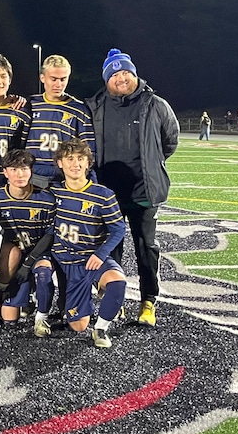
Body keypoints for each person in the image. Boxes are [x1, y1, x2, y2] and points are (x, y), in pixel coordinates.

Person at [85, 49, 180, 328]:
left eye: (125, 72)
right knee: (110, 250)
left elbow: (169, 142)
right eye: (114, 74)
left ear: (135, 74)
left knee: (146, 247)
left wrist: (150, 165)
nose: (121, 78)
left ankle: (148, 301)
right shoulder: (94, 106)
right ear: (106, 80)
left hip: (143, 192)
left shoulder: (156, 104)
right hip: (107, 192)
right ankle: (115, 301)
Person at [33, 139, 127, 348]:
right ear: (60, 163)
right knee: (77, 325)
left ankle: (101, 328)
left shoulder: (103, 195)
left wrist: (101, 254)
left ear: (87, 163)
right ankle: (41, 316)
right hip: (61, 257)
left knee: (117, 282)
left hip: (90, 258)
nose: (75, 164)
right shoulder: (53, 193)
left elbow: (119, 229)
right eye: (70, 159)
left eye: (81, 159)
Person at [0, 149, 56, 331]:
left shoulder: (46, 198)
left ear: (31, 171)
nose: (19, 174)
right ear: (5, 173)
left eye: (24, 169)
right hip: (11, 258)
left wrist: (28, 263)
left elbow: (50, 234)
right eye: (13, 169)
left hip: (37, 254)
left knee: (43, 274)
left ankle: (41, 319)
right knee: (9, 322)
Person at [27, 54, 95, 187]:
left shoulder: (79, 109)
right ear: (42, 78)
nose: (58, 84)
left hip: (64, 177)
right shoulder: (29, 104)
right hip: (32, 175)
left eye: (63, 79)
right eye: (53, 79)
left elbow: (89, 150)